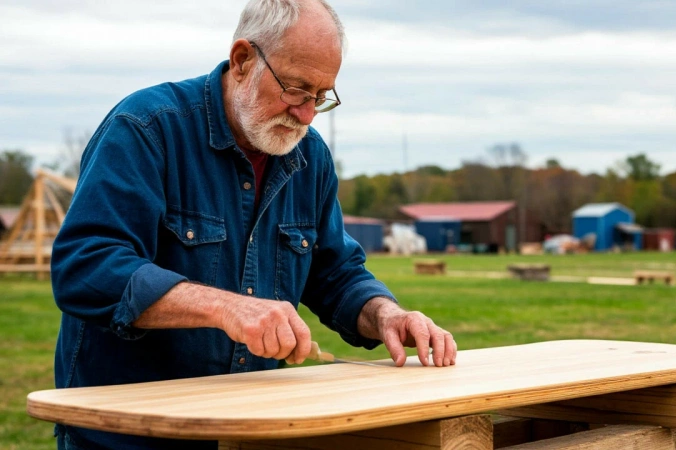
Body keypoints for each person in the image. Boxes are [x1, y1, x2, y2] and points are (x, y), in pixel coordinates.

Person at [50, 1, 457, 448]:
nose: (306, 115)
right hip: (130, 435)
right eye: (296, 89)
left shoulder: (310, 157)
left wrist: (385, 314)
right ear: (243, 59)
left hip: (254, 429)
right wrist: (227, 308)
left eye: (321, 98)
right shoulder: (146, 128)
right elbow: (86, 268)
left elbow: (334, 273)